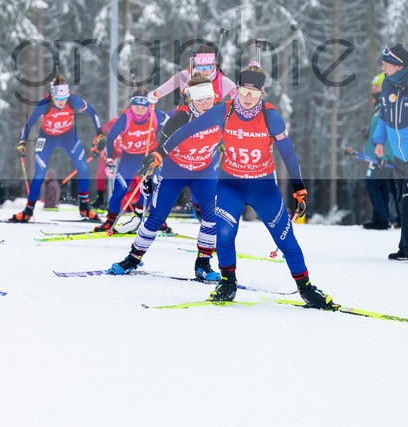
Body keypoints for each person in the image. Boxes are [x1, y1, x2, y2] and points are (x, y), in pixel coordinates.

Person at [140, 63, 337, 308]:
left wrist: (299, 187)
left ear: (261, 94)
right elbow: (187, 131)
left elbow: (288, 153)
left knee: (286, 239)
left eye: (253, 93)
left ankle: (306, 289)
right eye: (244, 91)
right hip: (231, 185)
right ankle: (228, 284)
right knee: (224, 233)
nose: (247, 97)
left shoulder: (271, 117)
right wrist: (160, 153)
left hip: (263, 187)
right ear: (238, 89)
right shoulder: (223, 111)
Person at [110, 72, 221, 280]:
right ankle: (133, 258)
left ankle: (203, 263)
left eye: (209, 99)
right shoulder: (180, 117)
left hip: (204, 170)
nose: (206, 104)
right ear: (190, 99)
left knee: (211, 216)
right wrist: (152, 164)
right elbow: (162, 148)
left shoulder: (220, 112)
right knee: (157, 217)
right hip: (175, 171)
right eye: (200, 100)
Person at [10, 75, 102, 222]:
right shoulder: (44, 104)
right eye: (58, 98)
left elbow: (93, 112)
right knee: (40, 174)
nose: (61, 101)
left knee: (83, 168)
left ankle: (84, 207)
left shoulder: (72, 100)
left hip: (68, 136)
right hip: (47, 138)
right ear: (52, 96)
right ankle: (28, 210)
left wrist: (100, 134)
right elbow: (29, 124)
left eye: (64, 98)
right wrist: (22, 142)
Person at [371, 43, 408, 261]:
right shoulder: (387, 83)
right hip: (398, 153)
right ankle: (406, 247)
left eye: (386, 64)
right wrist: (379, 141)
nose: (382, 67)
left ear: (399, 66)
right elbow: (384, 115)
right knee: (404, 198)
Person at [99, 93, 169, 232]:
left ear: (148, 107)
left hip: (150, 156)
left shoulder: (155, 114)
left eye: (143, 108)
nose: (139, 111)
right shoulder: (125, 118)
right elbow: (110, 138)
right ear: (131, 106)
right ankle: (110, 220)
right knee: (120, 190)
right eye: (136, 107)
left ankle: (155, 220)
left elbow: (172, 123)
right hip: (129, 158)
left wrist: (163, 139)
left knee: (155, 187)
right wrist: (109, 160)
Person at [363, 72, 397, 229]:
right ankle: (380, 218)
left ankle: (382, 220)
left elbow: (390, 131)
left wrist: (386, 156)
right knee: (380, 185)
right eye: (373, 85)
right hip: (375, 154)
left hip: (382, 156)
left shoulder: (387, 104)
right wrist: (368, 133)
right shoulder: (378, 104)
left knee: (372, 184)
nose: (374, 88)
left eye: (377, 85)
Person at [147, 48, 236, 105]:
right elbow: (168, 86)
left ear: (214, 65)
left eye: (208, 67)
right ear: (195, 65)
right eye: (200, 67)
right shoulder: (186, 75)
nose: (204, 71)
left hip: (210, 119)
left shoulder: (221, 80)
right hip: (186, 117)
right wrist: (155, 94)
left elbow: (237, 95)